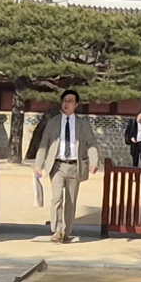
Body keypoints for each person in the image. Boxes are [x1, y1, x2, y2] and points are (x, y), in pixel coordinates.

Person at [34, 87, 95, 243]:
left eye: (70, 101)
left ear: (76, 105)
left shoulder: (83, 124)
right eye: (65, 101)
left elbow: (91, 144)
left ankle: (66, 231)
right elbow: (44, 144)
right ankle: (57, 230)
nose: (67, 103)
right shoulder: (53, 123)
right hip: (57, 165)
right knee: (57, 198)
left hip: (75, 165)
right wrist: (38, 164)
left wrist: (94, 162)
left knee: (70, 201)